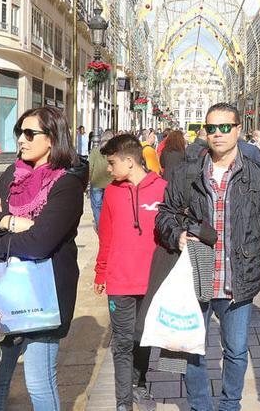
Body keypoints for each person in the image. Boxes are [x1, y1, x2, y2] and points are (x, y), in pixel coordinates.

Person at [155, 103, 260, 411]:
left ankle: (230, 405)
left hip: (238, 283)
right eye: (211, 128)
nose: (217, 134)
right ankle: (201, 406)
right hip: (196, 279)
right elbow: (165, 214)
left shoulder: (258, 177)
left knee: (237, 351)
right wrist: (177, 234)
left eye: (225, 127)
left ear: (239, 129)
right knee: (193, 351)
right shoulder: (188, 173)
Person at [0, 106, 87, 410]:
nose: (21, 139)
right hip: (5, 289)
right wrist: (8, 222)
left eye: (30, 133)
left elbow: (40, 243)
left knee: (37, 380)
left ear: (52, 139)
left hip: (45, 292)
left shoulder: (67, 183)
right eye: (19, 132)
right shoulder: (14, 173)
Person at [94, 134, 167, 411]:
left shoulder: (163, 188)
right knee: (122, 343)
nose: (109, 170)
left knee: (143, 338)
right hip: (119, 280)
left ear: (129, 161)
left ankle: (139, 385)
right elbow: (107, 237)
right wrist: (101, 272)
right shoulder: (112, 191)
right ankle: (122, 403)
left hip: (152, 279)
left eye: (112, 163)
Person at [88, 129, 117, 229]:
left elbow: (90, 167)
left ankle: (101, 227)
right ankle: (108, 226)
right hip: (111, 183)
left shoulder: (95, 151)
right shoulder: (114, 152)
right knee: (109, 207)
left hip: (96, 183)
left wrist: (88, 180)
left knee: (97, 207)